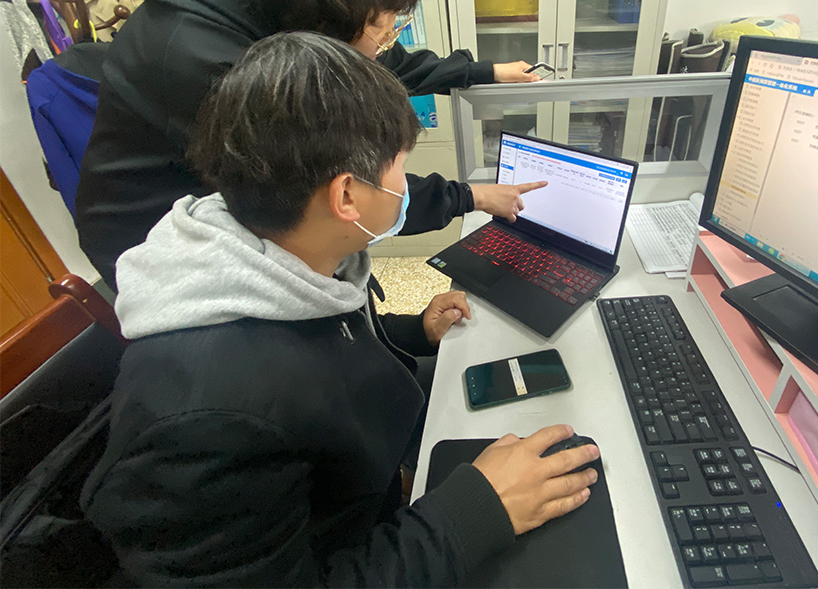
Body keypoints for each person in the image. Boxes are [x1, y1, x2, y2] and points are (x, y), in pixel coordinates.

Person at [80, 32, 598, 587]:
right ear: (346, 196)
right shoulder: (208, 421)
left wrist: (410, 331)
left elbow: (319, 346)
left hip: (363, 494)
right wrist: (472, 513)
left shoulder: (284, 252)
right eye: (400, 168)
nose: (406, 185)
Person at [75, 0, 543, 289]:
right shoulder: (218, 67)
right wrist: (470, 196)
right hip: (162, 254)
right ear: (326, 9)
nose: (383, 42)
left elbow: (369, 56)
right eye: (378, 26)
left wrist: (483, 72)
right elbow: (350, 189)